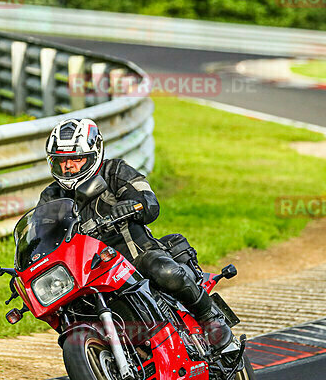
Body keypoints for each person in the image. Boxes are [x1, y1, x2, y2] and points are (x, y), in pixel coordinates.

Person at [37, 118, 232, 352]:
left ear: (94, 153)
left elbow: (149, 202)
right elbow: (42, 237)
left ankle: (209, 316)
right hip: (91, 276)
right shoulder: (52, 197)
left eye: (76, 159)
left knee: (165, 271)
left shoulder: (115, 171)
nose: (68, 167)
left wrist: (132, 206)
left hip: (137, 258)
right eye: (61, 161)